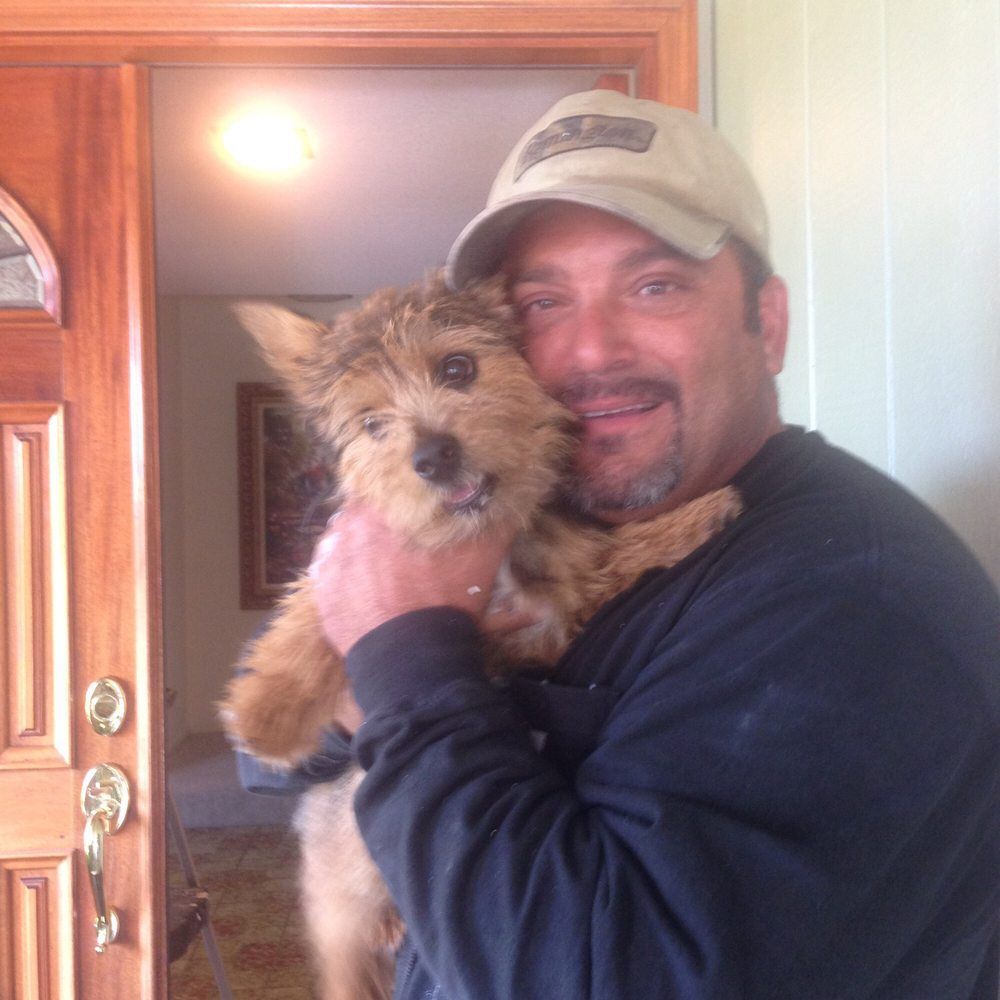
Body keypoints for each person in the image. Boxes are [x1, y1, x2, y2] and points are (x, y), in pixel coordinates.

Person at [245, 90, 1000, 998]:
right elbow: (290, 751)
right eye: (541, 303)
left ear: (768, 324)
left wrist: (403, 654)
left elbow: (607, 976)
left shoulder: (849, 601)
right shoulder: (552, 512)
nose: (588, 350)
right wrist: (366, 663)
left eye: (655, 286)